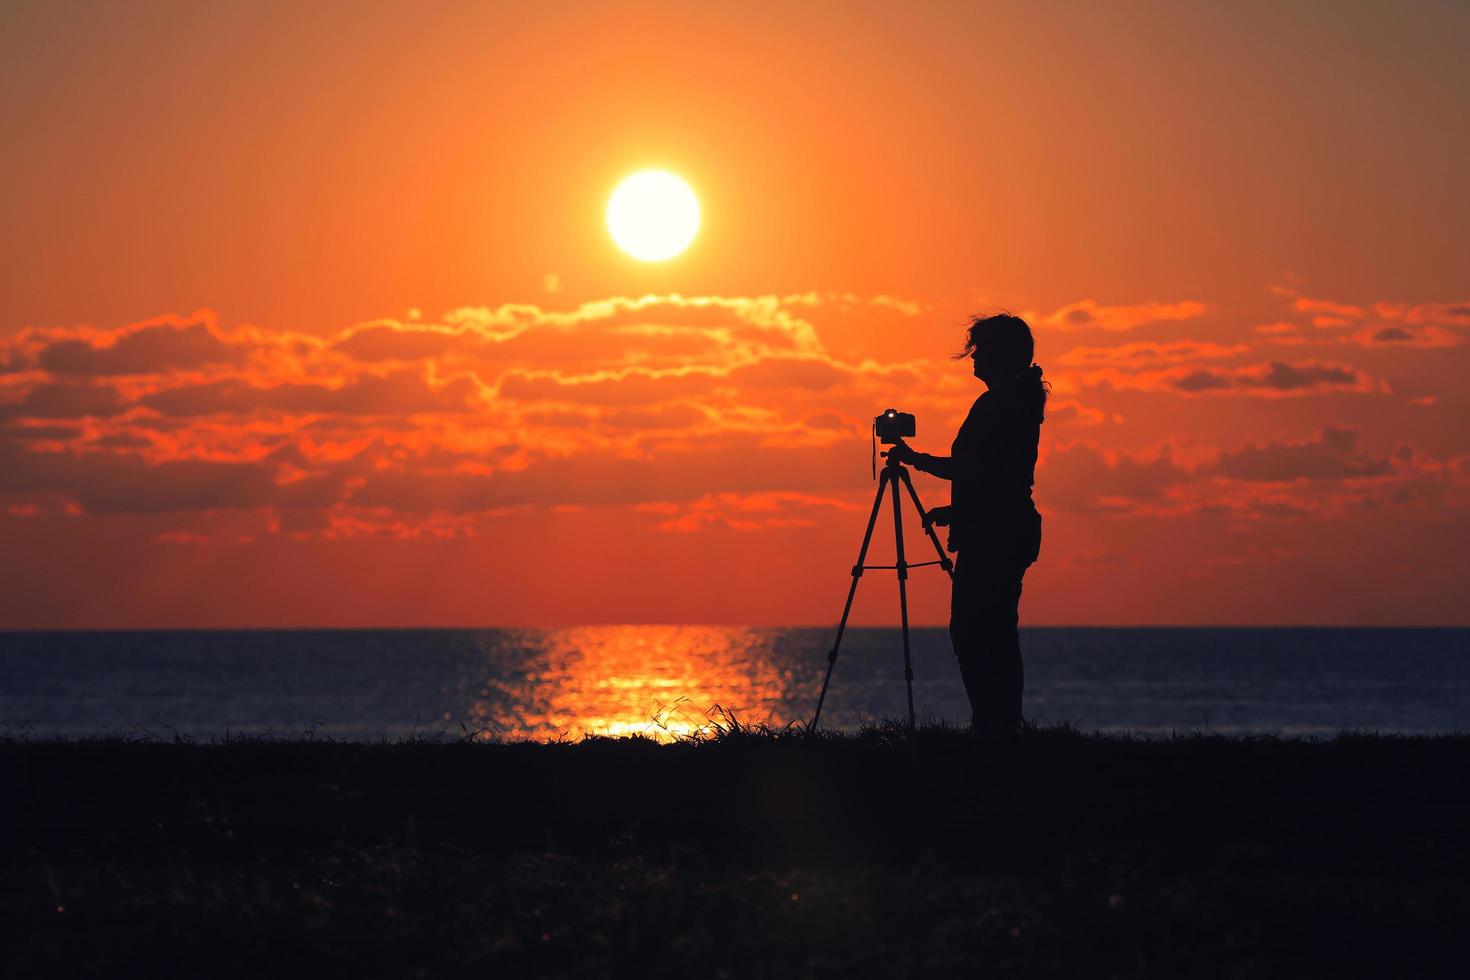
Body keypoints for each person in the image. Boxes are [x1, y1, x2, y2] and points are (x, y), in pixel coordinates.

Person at [887, 313, 1044, 736]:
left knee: (976, 631)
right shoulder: (1012, 401)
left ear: (1000, 353)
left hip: (997, 533)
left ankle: (994, 724)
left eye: (981, 349)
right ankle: (1000, 722)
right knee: (992, 629)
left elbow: (976, 469)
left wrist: (916, 460)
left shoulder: (1004, 404)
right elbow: (998, 477)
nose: (973, 357)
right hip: (1001, 527)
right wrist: (958, 512)